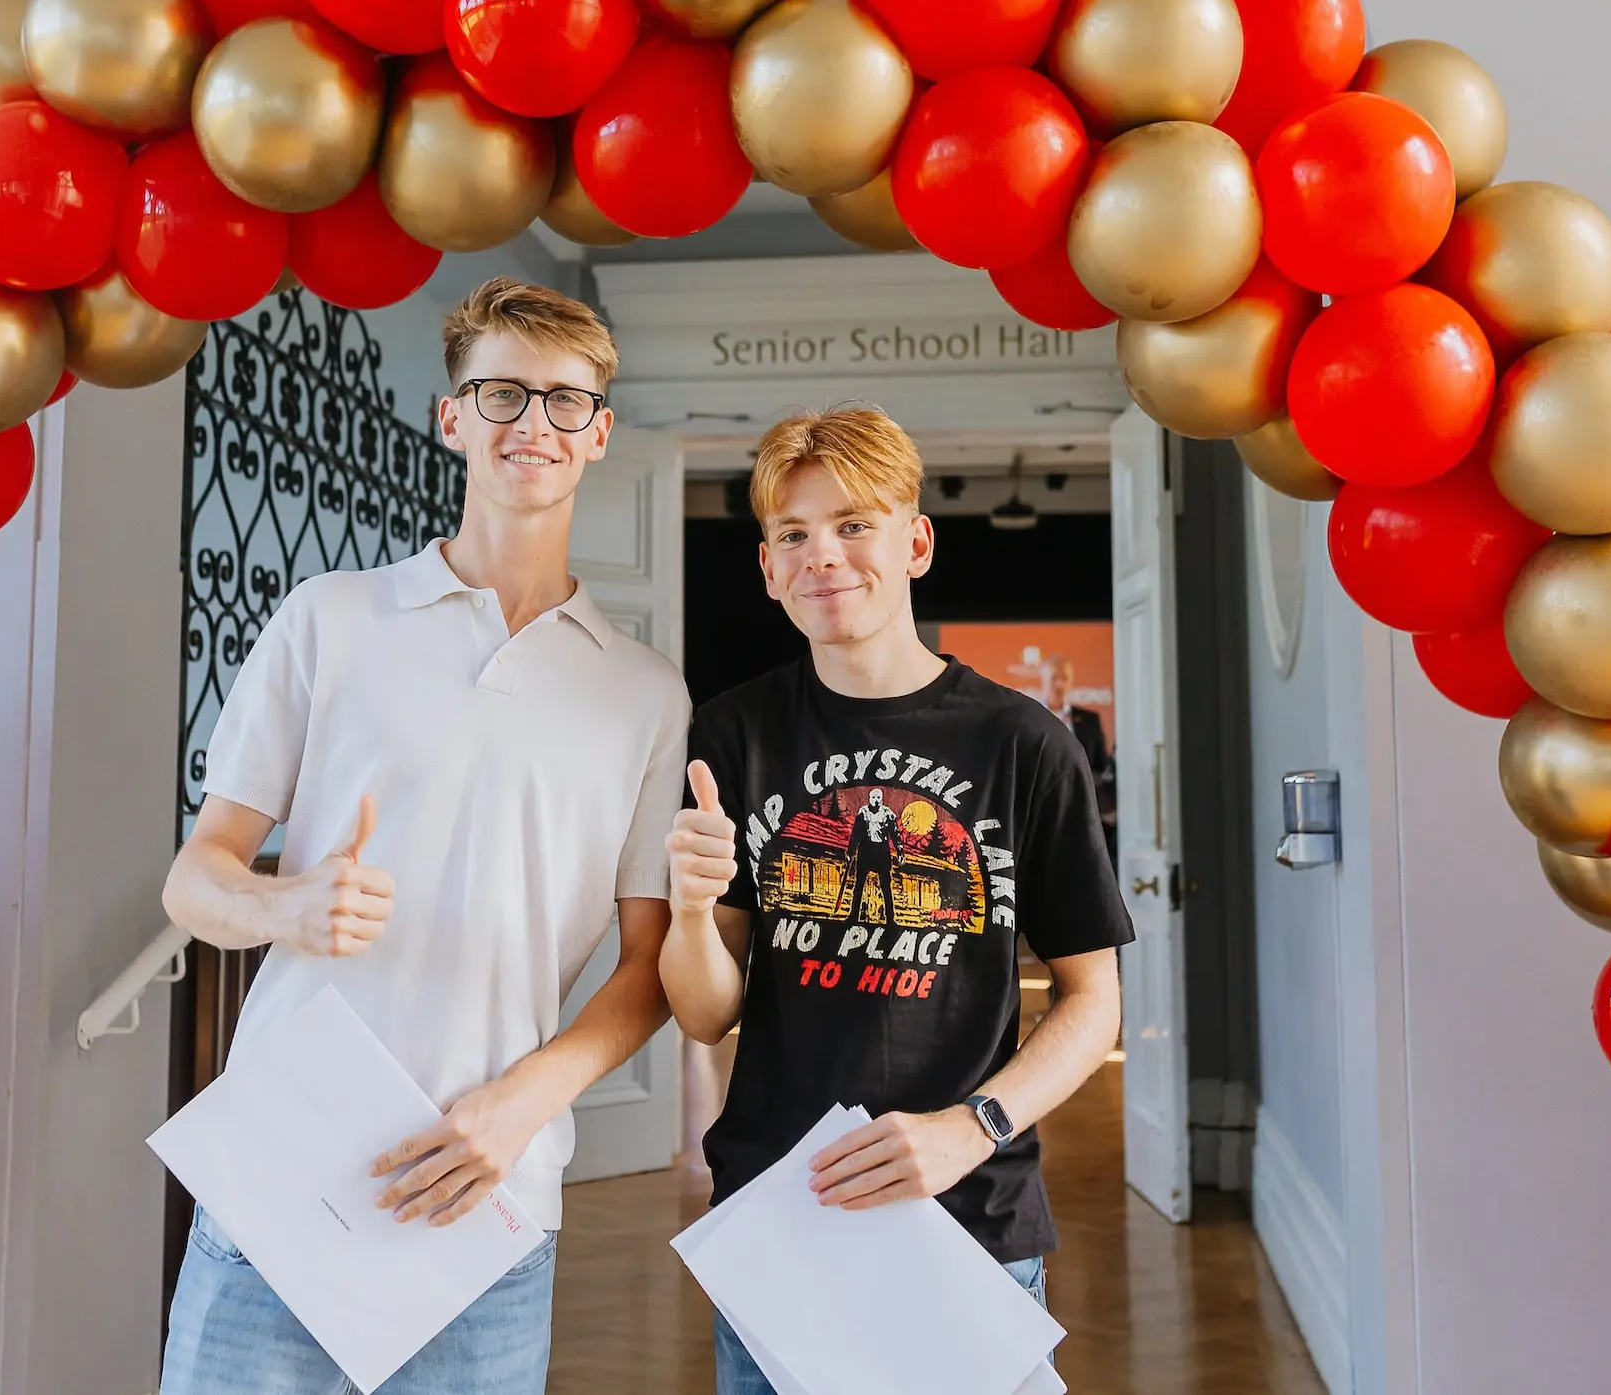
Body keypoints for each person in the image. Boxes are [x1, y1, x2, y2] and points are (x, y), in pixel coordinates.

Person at [158, 278, 690, 1395]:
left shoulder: (645, 695)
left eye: (560, 402)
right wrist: (281, 906)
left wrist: (525, 1102)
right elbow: (193, 882)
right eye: (501, 395)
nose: (529, 425)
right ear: (452, 418)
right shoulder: (328, 619)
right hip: (279, 1183)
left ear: (598, 435)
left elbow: (650, 970)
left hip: (488, 1194)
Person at [659, 404, 1131, 1395]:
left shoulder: (1022, 745)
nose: (821, 555)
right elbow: (707, 1011)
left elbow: (1094, 1005)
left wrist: (973, 1128)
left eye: (852, 525)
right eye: (792, 534)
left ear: (914, 543)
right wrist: (695, 909)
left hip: (966, 1217)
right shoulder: (732, 734)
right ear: (766, 569)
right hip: (780, 1217)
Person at [1042, 656, 1119, 872]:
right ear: (1043, 679)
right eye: (1054, 678)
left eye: (1064, 678)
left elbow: (1101, 766)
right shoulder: (1030, 717)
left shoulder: (1089, 720)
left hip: (1084, 806)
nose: (1059, 684)